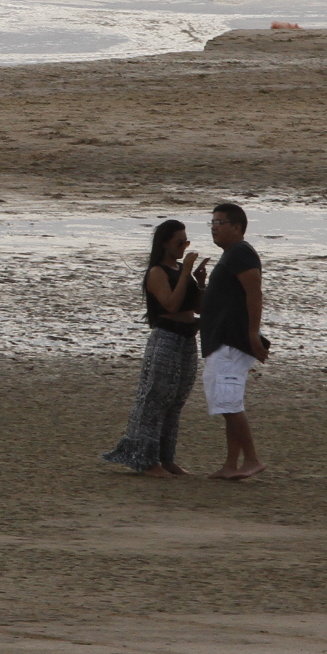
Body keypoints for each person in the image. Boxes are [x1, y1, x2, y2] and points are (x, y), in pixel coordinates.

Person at [100, 219, 207, 477]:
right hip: (166, 339)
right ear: (165, 244)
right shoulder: (157, 272)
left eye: (186, 242)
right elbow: (170, 303)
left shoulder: (182, 271)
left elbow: (197, 309)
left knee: (175, 400)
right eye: (179, 242)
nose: (184, 247)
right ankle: (148, 461)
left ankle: (166, 457)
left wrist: (200, 282)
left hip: (187, 339)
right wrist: (185, 274)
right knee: (155, 399)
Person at [201, 202, 267, 480]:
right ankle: (231, 463)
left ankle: (251, 459)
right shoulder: (231, 255)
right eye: (212, 223)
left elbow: (254, 293)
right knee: (227, 404)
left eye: (220, 223)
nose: (214, 228)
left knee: (229, 404)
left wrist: (253, 334)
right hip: (221, 340)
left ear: (237, 227)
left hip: (232, 341)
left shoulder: (240, 252)